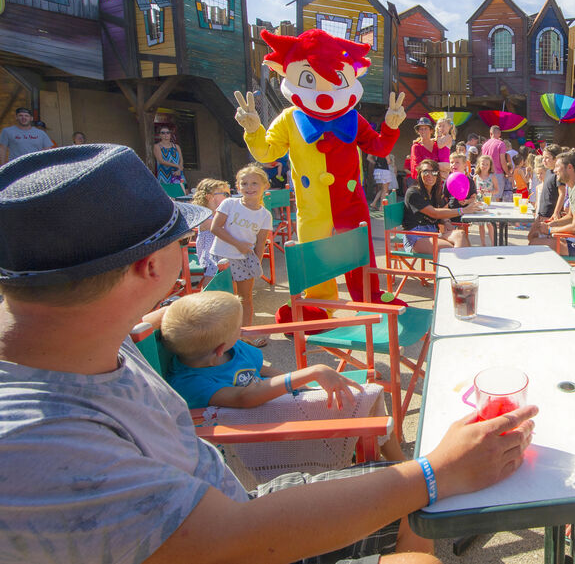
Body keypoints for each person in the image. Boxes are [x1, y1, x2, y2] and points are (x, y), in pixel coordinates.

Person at [0, 143, 537, 564]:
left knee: (416, 506)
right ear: (147, 268)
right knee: (419, 540)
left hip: (235, 506)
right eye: (183, 239)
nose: (190, 247)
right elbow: (230, 543)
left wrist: (158, 315)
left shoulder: (82, 332)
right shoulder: (36, 446)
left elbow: (143, 322)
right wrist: (436, 471)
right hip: (236, 536)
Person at [158, 291, 404, 462]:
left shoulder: (228, 350)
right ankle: (399, 467)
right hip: (253, 431)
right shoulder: (191, 382)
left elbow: (262, 372)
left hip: (275, 406)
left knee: (356, 397)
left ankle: (383, 459)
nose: (244, 330)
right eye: (239, 329)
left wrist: (303, 388)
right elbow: (245, 397)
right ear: (220, 348)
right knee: (365, 399)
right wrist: (310, 372)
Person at [210, 164, 273, 333]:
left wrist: (256, 265)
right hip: (221, 257)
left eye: (254, 183)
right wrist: (239, 245)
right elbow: (215, 228)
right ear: (237, 186)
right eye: (244, 183)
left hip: (245, 260)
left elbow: (260, 243)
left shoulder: (265, 215)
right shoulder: (229, 204)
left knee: (245, 299)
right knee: (219, 298)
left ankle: (244, 333)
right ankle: (219, 334)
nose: (249, 187)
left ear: (265, 186)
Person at [403, 159, 481, 253]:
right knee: (452, 249)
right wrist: (463, 210)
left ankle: (463, 266)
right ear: (419, 174)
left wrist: (446, 222)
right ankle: (461, 266)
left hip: (433, 233)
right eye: (425, 171)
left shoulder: (435, 192)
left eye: (434, 172)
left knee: (460, 234)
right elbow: (434, 213)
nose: (429, 175)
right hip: (416, 237)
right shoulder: (413, 192)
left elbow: (441, 211)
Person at [191, 178, 232, 288]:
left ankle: (230, 296)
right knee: (211, 275)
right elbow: (219, 227)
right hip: (210, 255)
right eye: (225, 194)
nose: (229, 197)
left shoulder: (220, 214)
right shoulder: (205, 216)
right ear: (209, 197)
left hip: (223, 252)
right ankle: (207, 296)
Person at [527, 144, 566, 243]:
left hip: (550, 214)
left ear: (556, 159)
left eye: (547, 158)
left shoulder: (558, 174)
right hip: (541, 213)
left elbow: (562, 193)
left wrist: (556, 212)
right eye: (543, 157)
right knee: (531, 236)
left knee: (543, 241)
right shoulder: (548, 171)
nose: (544, 160)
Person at [480, 126, 509, 201]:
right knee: (497, 199)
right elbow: (503, 161)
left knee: (486, 198)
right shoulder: (501, 144)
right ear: (499, 134)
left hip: (486, 174)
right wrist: (508, 173)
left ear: (490, 133)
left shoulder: (485, 144)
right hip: (497, 174)